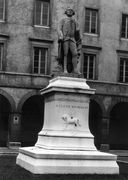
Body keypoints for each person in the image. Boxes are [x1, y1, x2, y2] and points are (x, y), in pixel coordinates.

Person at [58, 7, 81, 74]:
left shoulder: (75, 20)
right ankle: (65, 69)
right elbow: (59, 28)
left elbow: (77, 31)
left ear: (73, 12)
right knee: (65, 53)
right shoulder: (63, 20)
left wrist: (77, 30)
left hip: (72, 38)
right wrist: (61, 35)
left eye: (71, 10)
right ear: (66, 12)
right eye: (68, 10)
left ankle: (75, 69)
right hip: (65, 38)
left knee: (75, 54)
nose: (70, 11)